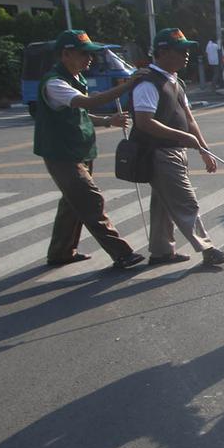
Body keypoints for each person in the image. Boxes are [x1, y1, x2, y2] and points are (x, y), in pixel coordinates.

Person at [33, 29, 147, 270]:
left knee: (72, 205)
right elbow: (87, 103)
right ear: (66, 54)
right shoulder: (55, 83)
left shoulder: (75, 79)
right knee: (89, 200)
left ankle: (61, 252)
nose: (89, 59)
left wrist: (108, 121)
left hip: (80, 151)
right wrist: (128, 84)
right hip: (61, 154)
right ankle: (122, 253)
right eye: (84, 54)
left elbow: (81, 113)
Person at [129, 28, 224, 268]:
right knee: (186, 202)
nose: (186, 55)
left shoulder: (175, 81)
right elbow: (144, 122)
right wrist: (183, 137)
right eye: (180, 50)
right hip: (159, 152)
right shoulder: (148, 83)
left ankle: (161, 250)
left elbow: (189, 119)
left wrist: (204, 149)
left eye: (187, 50)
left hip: (176, 151)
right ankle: (208, 249)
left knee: (164, 204)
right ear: (163, 52)